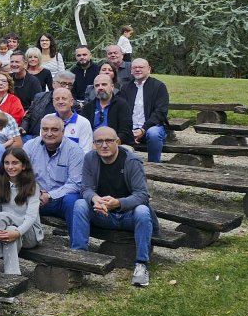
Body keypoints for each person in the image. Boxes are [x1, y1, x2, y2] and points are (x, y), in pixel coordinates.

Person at [71, 127, 157, 287]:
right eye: (99, 141)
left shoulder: (132, 161)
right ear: (94, 144)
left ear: (117, 141)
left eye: (109, 141)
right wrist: (95, 199)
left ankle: (141, 264)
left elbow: (142, 195)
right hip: (103, 213)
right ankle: (79, 257)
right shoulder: (90, 158)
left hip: (128, 215)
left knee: (143, 210)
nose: (104, 145)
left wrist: (118, 203)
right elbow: (85, 188)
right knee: (80, 204)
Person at [0, 148, 44, 280]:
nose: (10, 167)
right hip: (8, 231)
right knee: (6, 225)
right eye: (7, 163)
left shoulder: (33, 186)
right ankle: (12, 277)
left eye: (15, 163)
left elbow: (31, 217)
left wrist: (17, 233)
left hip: (29, 234)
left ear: (23, 166)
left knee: (2, 217)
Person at [24, 113, 84, 233]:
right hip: (35, 198)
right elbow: (22, 175)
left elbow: (75, 183)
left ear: (63, 131)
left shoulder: (74, 151)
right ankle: (16, 238)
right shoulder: (30, 146)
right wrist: (36, 192)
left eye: (54, 130)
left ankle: (77, 244)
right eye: (45, 129)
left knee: (74, 201)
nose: (49, 133)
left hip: (61, 200)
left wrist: (50, 195)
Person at [121, 58, 170, 163]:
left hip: (152, 127)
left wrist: (143, 129)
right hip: (131, 129)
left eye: (141, 67)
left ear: (149, 69)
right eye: (135, 67)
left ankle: (154, 165)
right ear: (131, 70)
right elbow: (122, 112)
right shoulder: (125, 88)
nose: (137, 69)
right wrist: (128, 131)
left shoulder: (159, 86)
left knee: (154, 134)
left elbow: (160, 112)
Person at [89, 72, 135, 146]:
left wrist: (111, 144)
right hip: (93, 144)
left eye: (104, 84)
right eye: (97, 85)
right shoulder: (88, 107)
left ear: (112, 87)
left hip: (117, 144)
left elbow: (126, 131)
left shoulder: (122, 105)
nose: (100, 88)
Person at [51, 87, 94, 151]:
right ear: (53, 102)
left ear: (71, 102)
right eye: (57, 99)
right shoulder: (48, 119)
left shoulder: (83, 123)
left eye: (64, 98)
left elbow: (85, 151)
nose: (60, 102)